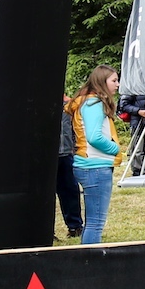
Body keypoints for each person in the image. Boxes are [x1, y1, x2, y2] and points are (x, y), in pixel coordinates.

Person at [67, 65, 122, 244]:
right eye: (114, 80)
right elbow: (94, 137)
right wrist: (115, 148)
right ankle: (90, 258)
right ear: (101, 81)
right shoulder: (94, 103)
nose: (117, 84)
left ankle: (87, 256)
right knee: (95, 223)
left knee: (93, 222)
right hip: (95, 167)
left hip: (90, 166)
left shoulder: (88, 102)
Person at [55, 93, 83, 238]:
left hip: (66, 153)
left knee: (70, 190)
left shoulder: (69, 104)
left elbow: (76, 127)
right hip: (45, 157)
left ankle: (75, 226)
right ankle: (45, 230)